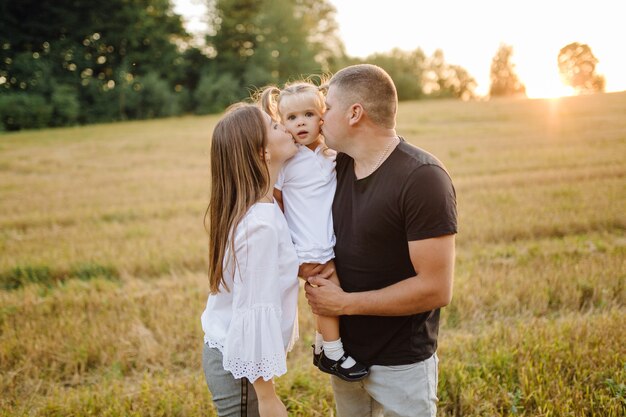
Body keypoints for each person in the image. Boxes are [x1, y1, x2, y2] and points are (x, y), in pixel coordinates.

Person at [304, 64, 457, 417]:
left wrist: (344, 303)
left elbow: (436, 289)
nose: (320, 117)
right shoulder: (334, 168)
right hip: (344, 359)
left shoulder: (422, 178)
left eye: (327, 107)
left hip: (400, 365)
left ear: (355, 113)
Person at [258, 82, 368, 381]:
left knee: (328, 288)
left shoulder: (329, 154)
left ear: (323, 117)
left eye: (308, 114)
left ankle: (322, 345)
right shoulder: (288, 161)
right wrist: (287, 241)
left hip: (324, 239)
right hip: (306, 242)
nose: (301, 122)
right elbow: (275, 199)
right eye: (291, 118)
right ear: (283, 124)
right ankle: (334, 352)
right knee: (327, 290)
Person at [201, 103, 299, 417]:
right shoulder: (260, 225)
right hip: (241, 371)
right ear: (262, 153)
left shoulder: (262, 206)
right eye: (274, 125)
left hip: (237, 360)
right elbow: (252, 312)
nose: (285, 125)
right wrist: (268, 398)